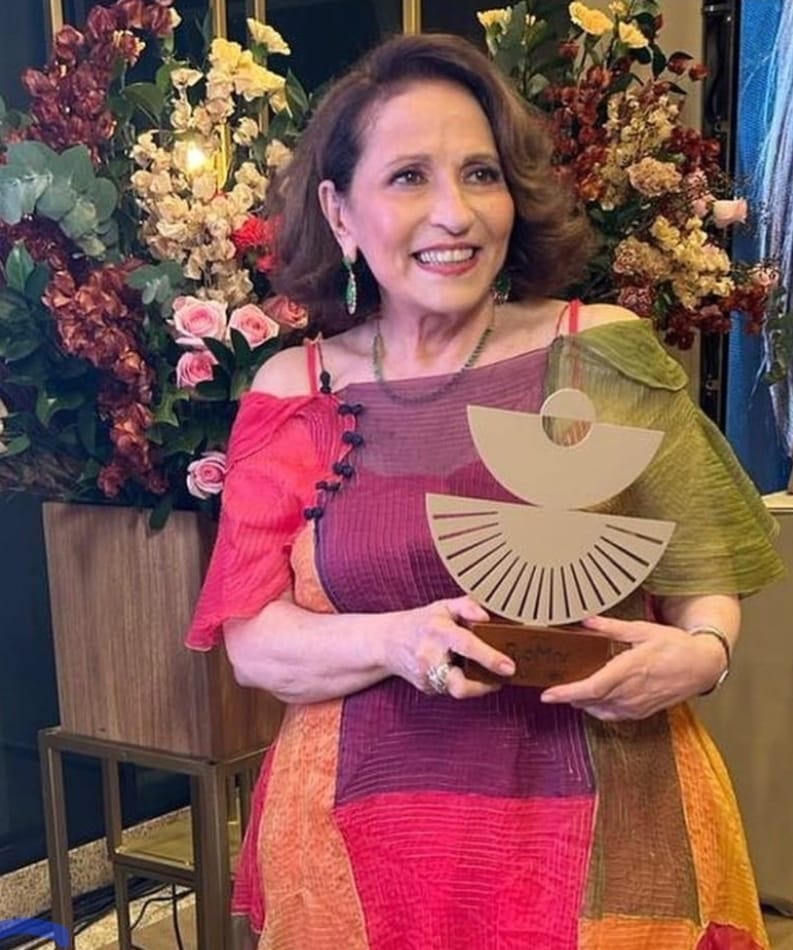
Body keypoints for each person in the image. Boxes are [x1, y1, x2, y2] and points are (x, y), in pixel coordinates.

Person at [185, 32, 784, 950]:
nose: (454, 213)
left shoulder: (601, 350)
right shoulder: (293, 391)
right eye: (408, 177)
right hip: (362, 847)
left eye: (480, 174)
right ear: (339, 211)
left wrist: (702, 655)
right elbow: (254, 644)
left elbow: (704, 575)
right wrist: (396, 639)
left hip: (611, 831)